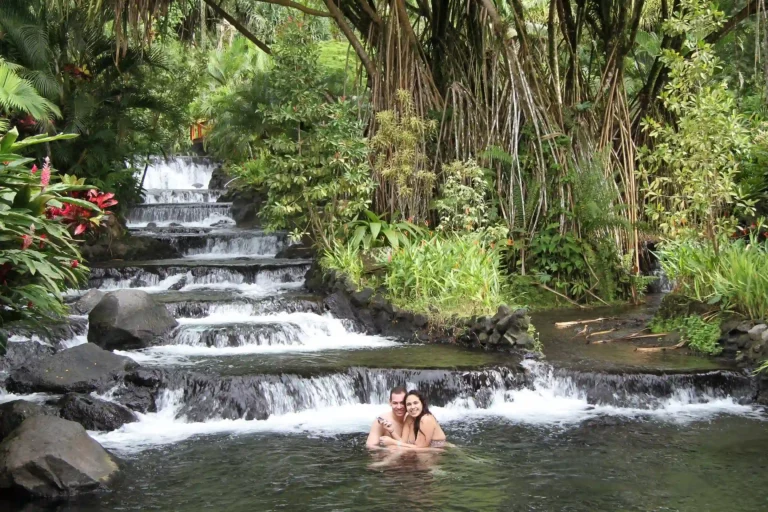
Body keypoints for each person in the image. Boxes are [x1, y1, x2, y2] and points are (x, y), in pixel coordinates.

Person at [379, 390, 446, 450]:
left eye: (415, 403)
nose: (412, 407)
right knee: (392, 448)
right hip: (420, 454)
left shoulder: (426, 419)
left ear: (422, 403)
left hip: (435, 455)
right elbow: (403, 442)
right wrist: (392, 431)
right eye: (409, 404)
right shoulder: (409, 418)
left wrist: (393, 442)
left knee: (393, 448)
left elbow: (420, 448)